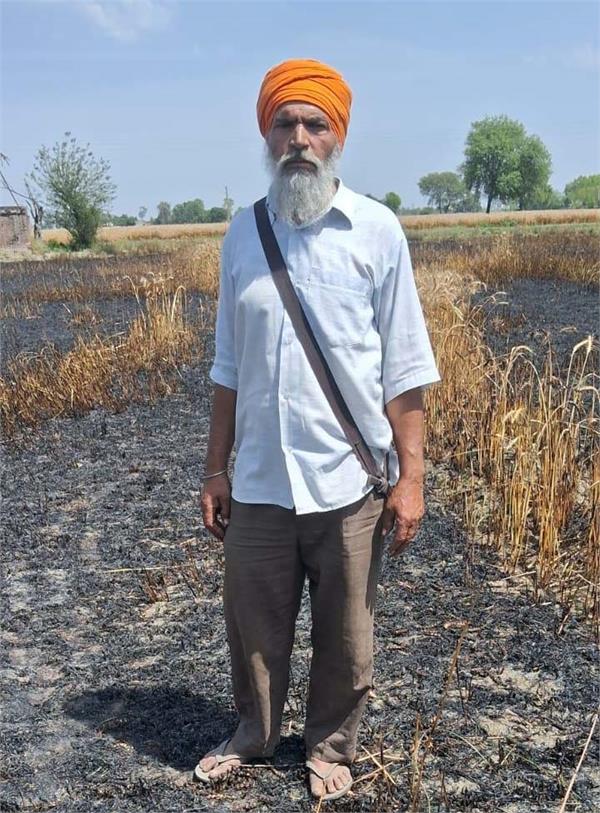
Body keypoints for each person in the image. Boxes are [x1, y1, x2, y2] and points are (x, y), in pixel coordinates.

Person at [196, 58, 441, 802]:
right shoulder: (242, 236)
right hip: (261, 480)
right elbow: (227, 365)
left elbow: (405, 367)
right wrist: (215, 469)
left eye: (315, 124)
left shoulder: (376, 230)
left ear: (338, 136)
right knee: (253, 625)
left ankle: (331, 745)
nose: (299, 138)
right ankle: (253, 733)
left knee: (346, 632)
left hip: (348, 481)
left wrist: (411, 478)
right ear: (266, 135)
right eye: (285, 124)